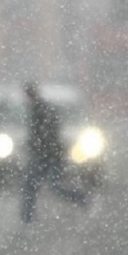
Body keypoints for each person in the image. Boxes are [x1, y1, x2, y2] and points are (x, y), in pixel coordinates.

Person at [20, 81, 87, 224]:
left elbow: (46, 136)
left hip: (49, 156)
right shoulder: (39, 109)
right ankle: (27, 218)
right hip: (47, 156)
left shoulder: (41, 110)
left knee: (49, 187)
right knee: (35, 186)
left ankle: (83, 198)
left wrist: (38, 147)